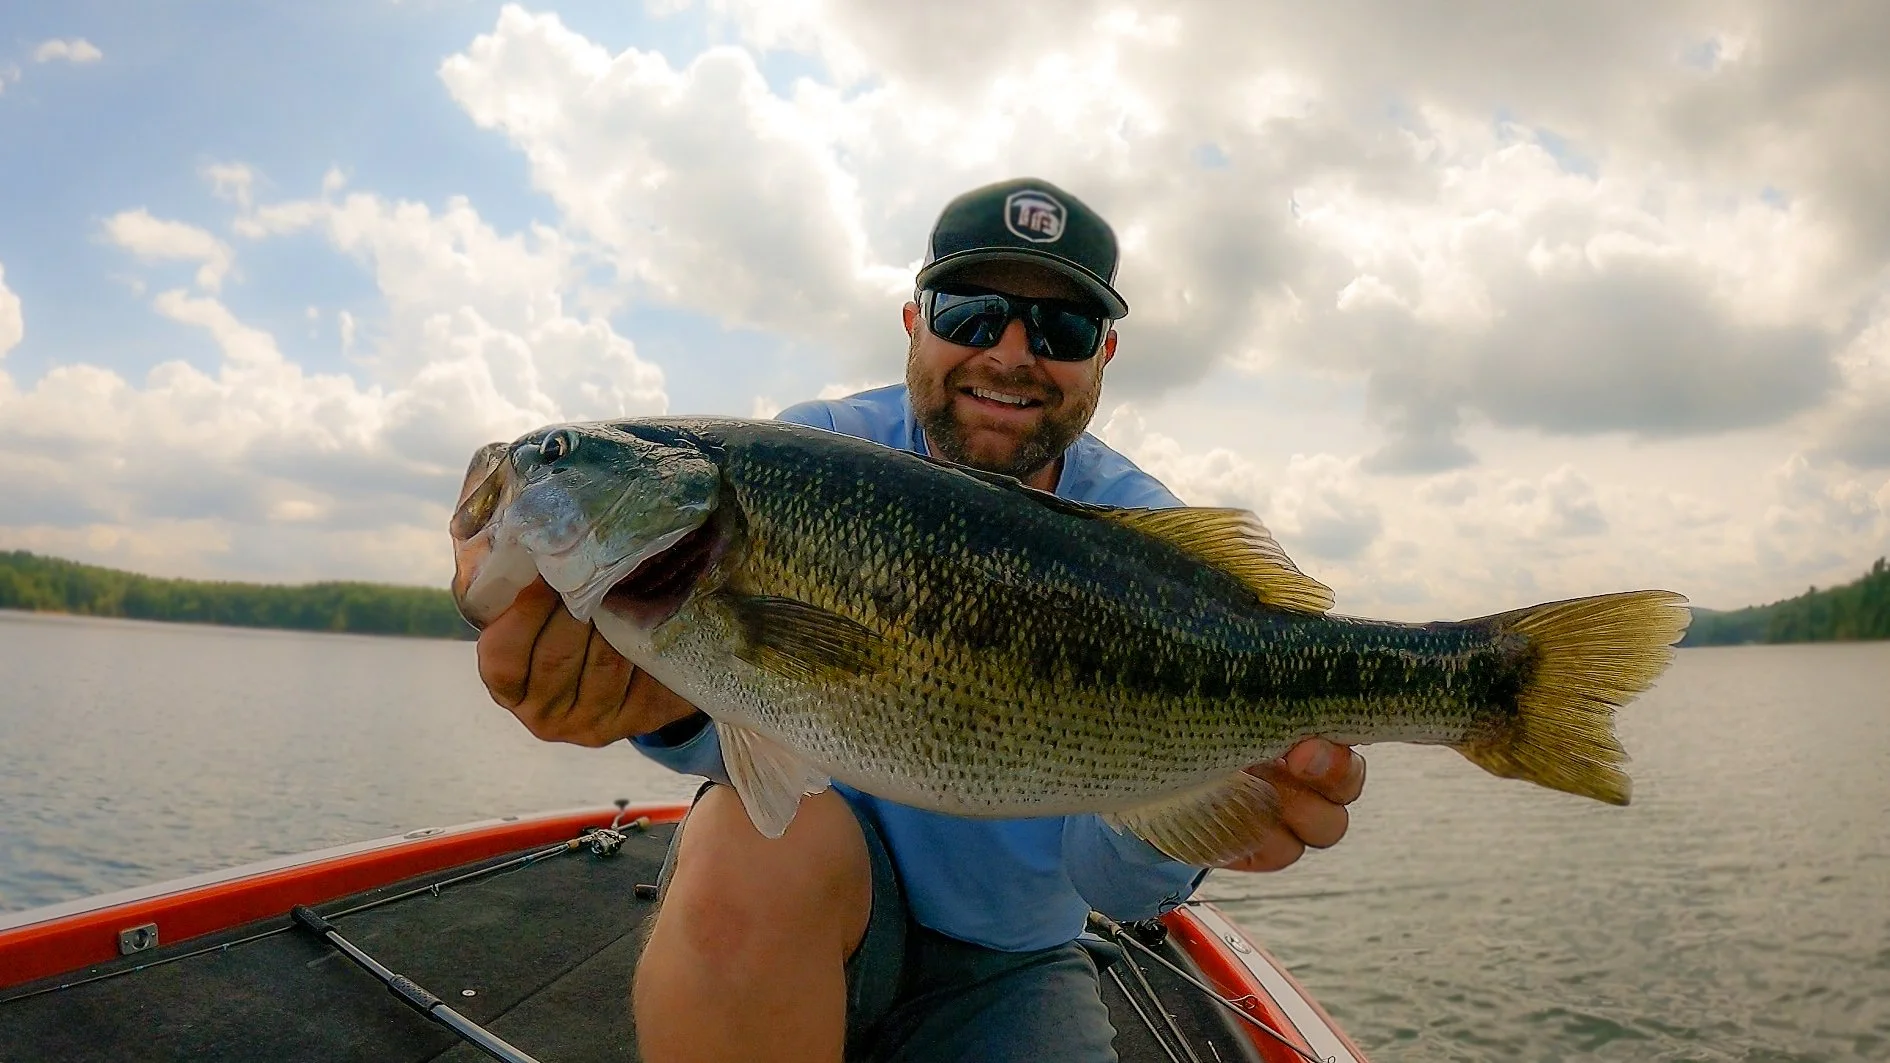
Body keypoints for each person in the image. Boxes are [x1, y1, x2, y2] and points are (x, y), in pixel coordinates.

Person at [475, 178, 1368, 1063]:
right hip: (802, 899)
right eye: (971, 312)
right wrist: (664, 708)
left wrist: (1219, 802)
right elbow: (763, 739)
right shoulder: (812, 455)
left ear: (1105, 355)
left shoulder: (1156, 550)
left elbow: (1113, 884)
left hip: (1014, 961)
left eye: (1061, 330)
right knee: (752, 843)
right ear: (915, 323)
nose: (1011, 354)